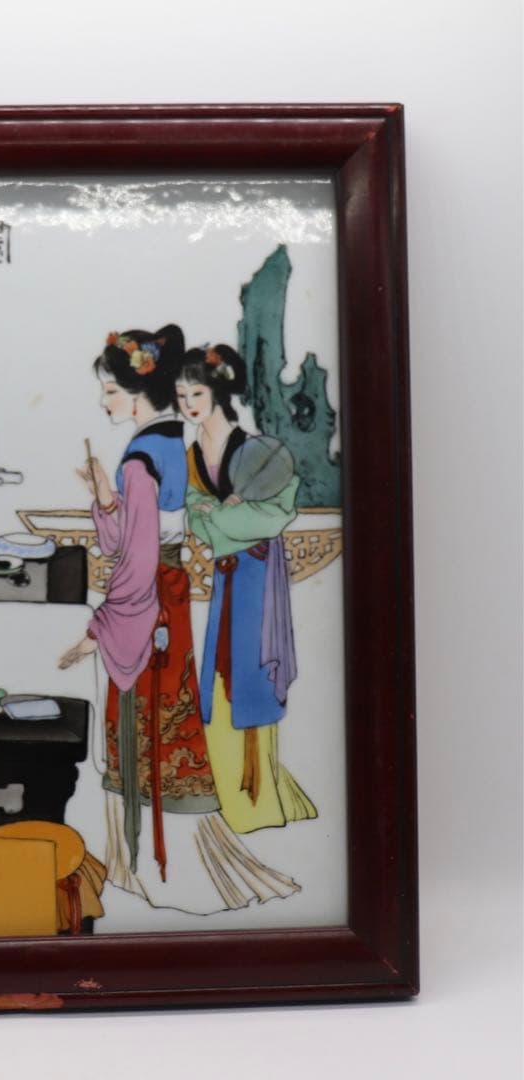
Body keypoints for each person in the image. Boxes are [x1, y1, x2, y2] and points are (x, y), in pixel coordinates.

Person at [59, 326, 299, 914]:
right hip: (169, 597)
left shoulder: (143, 459)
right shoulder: (173, 442)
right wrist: (105, 496)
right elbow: (134, 536)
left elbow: (134, 555)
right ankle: (157, 864)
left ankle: (153, 869)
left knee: (144, 724)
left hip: (147, 601)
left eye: (111, 391)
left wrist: (100, 629)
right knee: (173, 722)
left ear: (138, 393)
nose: (104, 403)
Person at [177, 344, 317, 834]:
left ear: (217, 392)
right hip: (227, 569)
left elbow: (278, 512)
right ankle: (230, 790)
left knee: (252, 671)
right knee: (220, 669)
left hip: (256, 569)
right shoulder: (193, 452)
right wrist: (215, 520)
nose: (188, 404)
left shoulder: (256, 449)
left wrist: (219, 520)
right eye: (181, 396)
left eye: (196, 393)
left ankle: (258, 801)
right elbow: (193, 513)